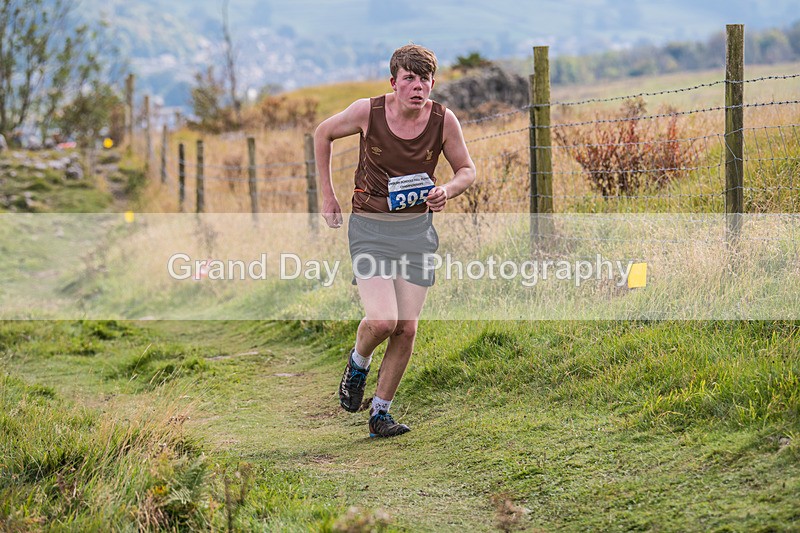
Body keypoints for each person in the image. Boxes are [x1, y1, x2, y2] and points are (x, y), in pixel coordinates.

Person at [314, 44, 476, 438]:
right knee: (383, 320)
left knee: (406, 328)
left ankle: (380, 414)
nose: (418, 86)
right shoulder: (367, 112)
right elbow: (322, 134)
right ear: (394, 82)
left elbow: (467, 170)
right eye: (409, 78)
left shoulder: (443, 120)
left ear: (433, 83)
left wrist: (448, 190)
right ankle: (358, 362)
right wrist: (327, 195)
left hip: (416, 232)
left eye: (425, 79)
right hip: (370, 228)